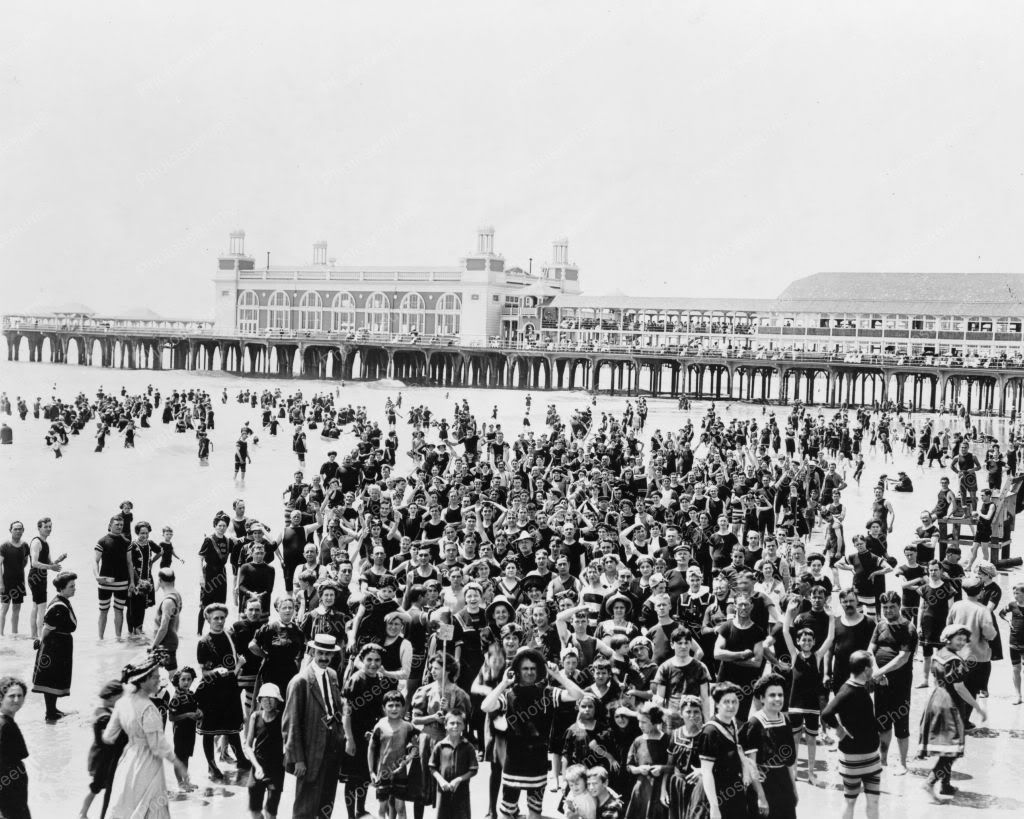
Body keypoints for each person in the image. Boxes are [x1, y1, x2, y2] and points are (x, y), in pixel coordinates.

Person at [480, 647, 586, 819]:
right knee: (507, 810)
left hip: (537, 760)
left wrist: (558, 675)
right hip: (513, 760)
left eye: (532, 668)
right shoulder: (509, 694)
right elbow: (485, 706)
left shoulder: (547, 693)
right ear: (517, 671)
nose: (529, 672)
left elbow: (578, 694)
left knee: (535, 811)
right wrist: (504, 683)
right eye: (525, 668)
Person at [102, 657, 190, 819]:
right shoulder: (148, 708)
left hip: (127, 762)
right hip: (148, 765)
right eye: (155, 677)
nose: (158, 680)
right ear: (143, 681)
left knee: (124, 806)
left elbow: (108, 736)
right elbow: (157, 745)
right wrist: (178, 764)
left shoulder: (122, 703)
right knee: (151, 810)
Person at [918, 624, 988, 800]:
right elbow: (960, 688)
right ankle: (930, 782)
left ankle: (946, 785)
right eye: (959, 639)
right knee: (953, 749)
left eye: (964, 640)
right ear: (948, 638)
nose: (962, 642)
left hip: (935, 700)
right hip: (950, 704)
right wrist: (978, 707)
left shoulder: (938, 655)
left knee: (946, 746)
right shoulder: (955, 661)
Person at [283, 633, 345, 819]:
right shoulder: (300, 682)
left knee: (327, 800)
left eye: (328, 654)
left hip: (332, 747)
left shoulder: (332, 675)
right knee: (305, 804)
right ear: (312, 651)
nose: (324, 658)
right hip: (310, 752)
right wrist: (298, 759)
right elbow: (291, 724)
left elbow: (336, 708)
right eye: (321, 653)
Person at [820, 650, 882, 819]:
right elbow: (826, 713)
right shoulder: (848, 690)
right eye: (872, 666)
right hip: (854, 757)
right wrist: (840, 730)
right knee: (852, 801)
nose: (874, 670)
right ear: (866, 669)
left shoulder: (856, 687)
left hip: (866, 755)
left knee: (868, 800)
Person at [195, 603, 248, 781]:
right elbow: (203, 673)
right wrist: (216, 671)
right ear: (208, 619)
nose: (219, 621)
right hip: (211, 692)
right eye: (215, 618)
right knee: (209, 731)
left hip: (230, 688)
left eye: (222, 618)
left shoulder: (230, 636)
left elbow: (236, 662)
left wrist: (239, 665)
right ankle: (212, 766)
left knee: (232, 726)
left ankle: (240, 758)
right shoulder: (204, 642)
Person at [868, 590, 917, 774]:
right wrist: (875, 672)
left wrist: (879, 672)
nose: (888, 611)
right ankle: (884, 760)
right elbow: (870, 649)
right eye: (885, 607)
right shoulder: (880, 625)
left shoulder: (908, 628)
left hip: (900, 684)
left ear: (899, 607)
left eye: (892, 607)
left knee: (901, 724)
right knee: (882, 723)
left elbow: (903, 658)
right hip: (881, 684)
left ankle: (903, 763)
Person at [742, 674, 797, 819]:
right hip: (763, 785)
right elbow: (751, 764)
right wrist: (761, 797)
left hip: (783, 782)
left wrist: (794, 789)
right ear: (762, 698)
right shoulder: (754, 724)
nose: (778, 699)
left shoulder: (785, 720)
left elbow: (789, 763)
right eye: (772, 695)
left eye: (780, 695)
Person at [946, 576, 997, 725]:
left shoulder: (956, 605)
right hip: (977, 656)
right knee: (972, 689)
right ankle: (964, 720)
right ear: (981, 591)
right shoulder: (983, 610)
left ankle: (953, 720)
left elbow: (948, 625)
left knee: (957, 688)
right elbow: (990, 633)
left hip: (957, 654)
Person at [31, 570, 77, 724]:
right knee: (51, 679)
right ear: (62, 588)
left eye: (74, 585)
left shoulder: (63, 601)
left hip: (61, 645)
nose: (74, 588)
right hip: (54, 647)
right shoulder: (58, 605)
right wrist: (40, 641)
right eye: (71, 586)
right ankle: (50, 713)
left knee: (56, 678)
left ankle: (53, 710)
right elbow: (47, 627)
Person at [79, 680, 125, 819]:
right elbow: (108, 741)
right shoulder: (105, 718)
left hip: (102, 756)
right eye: (121, 697)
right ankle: (83, 813)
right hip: (103, 759)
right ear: (111, 697)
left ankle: (84, 813)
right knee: (97, 787)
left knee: (96, 788)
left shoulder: (100, 711)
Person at [368, 690, 418, 819]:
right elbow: (371, 749)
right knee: (382, 807)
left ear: (402, 707)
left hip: (400, 772)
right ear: (384, 708)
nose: (394, 708)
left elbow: (415, 748)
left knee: (400, 807)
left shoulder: (408, 727)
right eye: (390, 705)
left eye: (397, 705)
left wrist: (406, 761)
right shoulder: (380, 726)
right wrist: (371, 772)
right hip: (383, 772)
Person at [244, 682, 286, 819]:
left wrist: (287, 758)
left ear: (277, 701)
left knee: (271, 811)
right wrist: (256, 766)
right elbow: (248, 746)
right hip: (258, 765)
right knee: (254, 811)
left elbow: (290, 741)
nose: (267, 702)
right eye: (264, 698)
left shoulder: (282, 717)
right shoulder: (255, 717)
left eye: (271, 698)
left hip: (276, 767)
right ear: (259, 700)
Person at [624, 703, 670, 819]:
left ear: (655, 722)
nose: (640, 725)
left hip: (660, 790)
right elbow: (629, 766)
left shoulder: (667, 740)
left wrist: (662, 768)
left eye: (644, 722)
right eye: (639, 721)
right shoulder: (638, 741)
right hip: (641, 789)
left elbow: (674, 766)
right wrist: (638, 769)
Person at [28, 518, 65, 647]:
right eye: (46, 527)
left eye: (50, 527)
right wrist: (51, 567)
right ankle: (40, 637)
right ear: (39, 528)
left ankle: (33, 635)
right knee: (41, 608)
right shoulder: (36, 542)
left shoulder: (46, 543)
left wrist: (58, 560)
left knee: (36, 606)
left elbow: (49, 564)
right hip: (35, 577)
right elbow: (34, 563)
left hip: (41, 577)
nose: (49, 529)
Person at [0, 676, 30, 819]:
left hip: (14, 795)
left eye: (20, 695)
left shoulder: (7, 722)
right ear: (1, 698)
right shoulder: (3, 726)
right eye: (11, 696)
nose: (17, 700)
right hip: (9, 798)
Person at [168, 667, 200, 792]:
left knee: (186, 757)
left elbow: (195, 709)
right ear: (178, 681)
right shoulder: (176, 698)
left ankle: (186, 781)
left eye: (189, 679)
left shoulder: (191, 695)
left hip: (190, 730)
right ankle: (180, 782)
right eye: (183, 680)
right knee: (179, 757)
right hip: (180, 731)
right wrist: (187, 715)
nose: (186, 682)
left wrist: (198, 713)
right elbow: (171, 717)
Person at [0, 522, 30, 637]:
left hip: (19, 582)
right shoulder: (4, 546)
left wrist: (19, 569)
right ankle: (1, 635)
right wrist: (1, 584)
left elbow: (26, 560)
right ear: (11, 530)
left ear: (23, 530)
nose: (18, 531)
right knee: (4, 608)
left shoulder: (25, 545)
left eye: (20, 529)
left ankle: (14, 634)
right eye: (15, 529)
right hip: (6, 582)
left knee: (16, 609)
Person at [997, 581, 1024, 704]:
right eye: (1014, 592)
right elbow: (1001, 613)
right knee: (1015, 669)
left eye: (1017, 593)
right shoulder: (1012, 605)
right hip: (1013, 642)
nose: (1015, 595)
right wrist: (1008, 620)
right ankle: (1018, 695)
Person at [151, 568, 182, 671]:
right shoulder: (177, 595)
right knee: (170, 676)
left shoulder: (167, 601)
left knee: (167, 677)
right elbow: (177, 620)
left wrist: (153, 646)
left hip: (164, 644)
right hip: (170, 641)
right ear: (174, 580)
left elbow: (163, 628)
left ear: (159, 581)